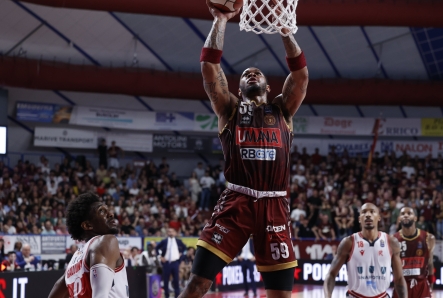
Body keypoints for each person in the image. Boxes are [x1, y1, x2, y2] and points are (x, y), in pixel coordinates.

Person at [180, 1, 309, 297]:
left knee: (280, 295)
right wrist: (222, 20)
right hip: (236, 202)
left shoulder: (283, 110)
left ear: (268, 85)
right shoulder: (229, 109)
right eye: (245, 74)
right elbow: (209, 68)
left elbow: (301, 78)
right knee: (198, 283)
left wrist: (286, 31)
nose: (251, 74)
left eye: (257, 73)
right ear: (237, 89)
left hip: (274, 206)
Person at [47, 192, 128, 298]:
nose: (111, 214)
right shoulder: (106, 242)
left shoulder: (74, 260)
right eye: (102, 211)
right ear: (87, 225)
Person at [323, 203, 407, 298]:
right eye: (364, 212)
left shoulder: (391, 242)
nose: (368, 215)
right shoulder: (348, 242)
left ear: (379, 217)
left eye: (372, 212)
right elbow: (331, 274)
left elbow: (399, 279)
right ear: (359, 219)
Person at [393, 207, 435, 297]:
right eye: (403, 214)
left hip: (421, 286)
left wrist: (431, 284)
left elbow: (430, 263)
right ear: (399, 219)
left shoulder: (428, 238)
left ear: (415, 218)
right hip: (401, 286)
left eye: (409, 213)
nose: (406, 215)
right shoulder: (393, 240)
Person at [156, 228, 186, 298]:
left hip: (175, 262)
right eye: (169, 231)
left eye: (172, 231)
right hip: (166, 263)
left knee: (176, 280)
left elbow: (185, 249)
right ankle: (166, 295)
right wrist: (160, 256)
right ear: (167, 233)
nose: (170, 233)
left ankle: (177, 295)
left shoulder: (178, 241)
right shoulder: (164, 241)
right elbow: (157, 248)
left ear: (175, 233)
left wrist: (181, 255)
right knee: (166, 280)